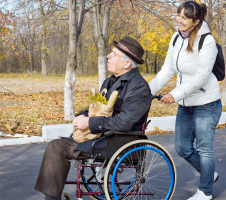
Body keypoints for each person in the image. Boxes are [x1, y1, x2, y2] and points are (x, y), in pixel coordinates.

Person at [34, 36, 152, 200]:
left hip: (119, 141)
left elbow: (124, 122)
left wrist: (89, 122)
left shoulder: (139, 87)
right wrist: (81, 116)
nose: (108, 57)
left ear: (126, 63)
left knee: (58, 148)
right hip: (100, 136)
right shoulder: (109, 82)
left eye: (113, 54)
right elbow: (97, 109)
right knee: (56, 147)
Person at [149, 2, 222, 200]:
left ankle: (205, 191)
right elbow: (167, 69)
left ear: (196, 21)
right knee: (182, 147)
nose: (178, 20)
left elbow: (201, 77)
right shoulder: (176, 37)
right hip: (186, 103)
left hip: (207, 102)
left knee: (204, 148)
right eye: (178, 15)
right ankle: (209, 174)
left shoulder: (207, 41)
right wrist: (147, 90)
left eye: (184, 17)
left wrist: (175, 94)